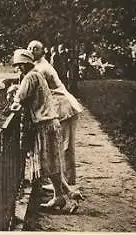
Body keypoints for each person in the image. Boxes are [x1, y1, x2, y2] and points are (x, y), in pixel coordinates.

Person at [10, 49, 79, 212]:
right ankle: (64, 194)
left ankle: (65, 196)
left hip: (44, 124)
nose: (18, 68)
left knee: (48, 163)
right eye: (17, 66)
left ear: (27, 64)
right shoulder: (37, 74)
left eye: (20, 65)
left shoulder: (31, 76)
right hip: (49, 122)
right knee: (50, 163)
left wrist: (14, 97)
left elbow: (20, 97)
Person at [27, 40, 83, 187]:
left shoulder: (41, 68)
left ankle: (67, 182)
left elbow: (31, 89)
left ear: (42, 51)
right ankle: (63, 181)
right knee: (60, 145)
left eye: (35, 49)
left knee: (65, 146)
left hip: (64, 106)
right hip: (57, 105)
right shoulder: (36, 67)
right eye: (29, 48)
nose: (32, 51)